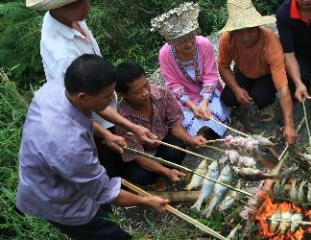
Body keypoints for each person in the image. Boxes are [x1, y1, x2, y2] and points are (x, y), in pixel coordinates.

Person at [16, 54, 169, 240]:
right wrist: (146, 200)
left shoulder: (56, 89)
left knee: (102, 205)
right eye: (107, 96)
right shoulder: (69, 146)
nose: (113, 98)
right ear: (83, 97)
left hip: (57, 168)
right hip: (58, 198)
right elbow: (106, 192)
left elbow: (85, 114)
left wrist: (108, 134)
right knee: (107, 233)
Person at [26, 0, 157, 177]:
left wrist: (132, 127)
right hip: (90, 119)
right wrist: (109, 133)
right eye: (80, 4)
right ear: (59, 8)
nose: (88, 7)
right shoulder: (62, 55)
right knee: (108, 169)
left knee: (119, 157)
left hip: (101, 108)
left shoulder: (69, 18)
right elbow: (77, 108)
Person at [217, 0, 298, 145]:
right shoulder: (227, 39)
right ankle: (243, 101)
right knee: (228, 98)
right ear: (233, 31)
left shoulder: (270, 41)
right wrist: (236, 89)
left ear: (257, 27)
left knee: (261, 98)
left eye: (250, 30)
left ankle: (255, 101)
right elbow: (223, 66)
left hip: (265, 74)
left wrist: (289, 124)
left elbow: (282, 86)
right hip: (242, 71)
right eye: (240, 32)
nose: (245, 36)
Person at [116, 62, 207, 186]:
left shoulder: (162, 94)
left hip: (163, 140)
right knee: (142, 177)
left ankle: (167, 169)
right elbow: (137, 155)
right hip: (143, 153)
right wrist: (166, 172)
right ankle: (161, 174)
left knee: (177, 150)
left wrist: (190, 139)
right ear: (124, 95)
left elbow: (174, 123)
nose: (145, 92)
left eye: (146, 85)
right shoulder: (121, 117)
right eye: (138, 91)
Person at [152, 2, 230, 138]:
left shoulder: (203, 44)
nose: (189, 43)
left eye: (191, 37)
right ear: (172, 42)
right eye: (182, 41)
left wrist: (205, 103)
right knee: (186, 120)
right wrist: (193, 106)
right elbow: (173, 85)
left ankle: (207, 129)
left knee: (213, 113)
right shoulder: (165, 53)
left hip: (209, 93)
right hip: (184, 98)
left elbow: (211, 76)